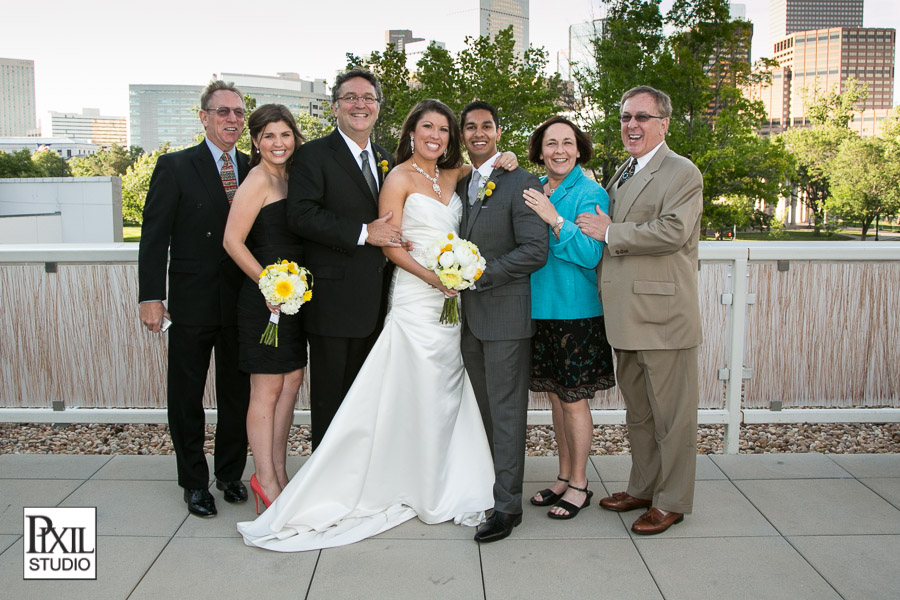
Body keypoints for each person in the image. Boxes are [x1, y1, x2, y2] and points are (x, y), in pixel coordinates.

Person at [237, 99, 500, 551]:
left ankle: (439, 474)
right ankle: (385, 478)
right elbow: (388, 242)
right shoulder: (396, 176)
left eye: (443, 129)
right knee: (404, 384)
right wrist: (434, 278)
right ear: (411, 132)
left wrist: (503, 157)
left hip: (448, 301)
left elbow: (483, 165)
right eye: (426, 127)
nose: (435, 135)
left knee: (444, 388)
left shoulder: (451, 175)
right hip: (417, 294)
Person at [576, 85, 703, 535]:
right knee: (641, 414)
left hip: (664, 318)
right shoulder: (624, 170)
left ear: (663, 124)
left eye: (642, 117)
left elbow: (673, 231)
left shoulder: (682, 172)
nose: (632, 125)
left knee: (673, 418)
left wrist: (612, 232)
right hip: (626, 318)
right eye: (626, 117)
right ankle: (644, 488)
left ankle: (672, 501)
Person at [138, 80, 251, 517]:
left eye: (238, 112)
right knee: (186, 396)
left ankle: (229, 473)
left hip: (242, 301)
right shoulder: (175, 166)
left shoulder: (254, 166)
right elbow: (154, 236)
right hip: (191, 300)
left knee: (237, 394)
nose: (232, 119)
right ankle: (194, 482)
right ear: (204, 117)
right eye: (223, 111)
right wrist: (151, 296)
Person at [285, 68, 399, 450]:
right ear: (335, 107)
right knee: (331, 402)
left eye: (368, 98)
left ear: (378, 107)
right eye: (350, 97)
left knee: (366, 403)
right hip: (332, 304)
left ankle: (358, 475)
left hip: (378, 305)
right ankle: (325, 478)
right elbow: (300, 215)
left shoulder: (385, 159)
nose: (359, 104)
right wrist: (365, 233)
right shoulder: (313, 155)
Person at [457, 101, 549, 543]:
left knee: (507, 414)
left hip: (505, 318)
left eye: (486, 126)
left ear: (497, 131)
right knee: (482, 413)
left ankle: (508, 507)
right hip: (466, 321)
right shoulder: (458, 182)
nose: (478, 133)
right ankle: (486, 489)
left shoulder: (521, 181)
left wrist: (479, 275)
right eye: (470, 126)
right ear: (462, 134)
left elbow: (535, 250)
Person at [522, 116, 615, 520]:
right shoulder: (537, 188)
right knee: (557, 399)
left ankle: (580, 483)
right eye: (551, 143)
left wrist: (555, 220)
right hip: (540, 310)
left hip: (575, 313)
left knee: (574, 401)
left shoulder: (590, 192)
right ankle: (563, 476)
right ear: (540, 151)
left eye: (567, 142)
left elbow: (591, 255)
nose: (559, 150)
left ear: (579, 150)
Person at [223, 104, 306, 510]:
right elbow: (232, 241)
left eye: (285, 134)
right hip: (265, 304)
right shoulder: (257, 179)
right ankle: (264, 479)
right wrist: (267, 284)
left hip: (293, 302)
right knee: (267, 389)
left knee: (290, 383)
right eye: (269, 136)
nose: (278, 143)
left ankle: (279, 472)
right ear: (255, 141)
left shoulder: (291, 177)